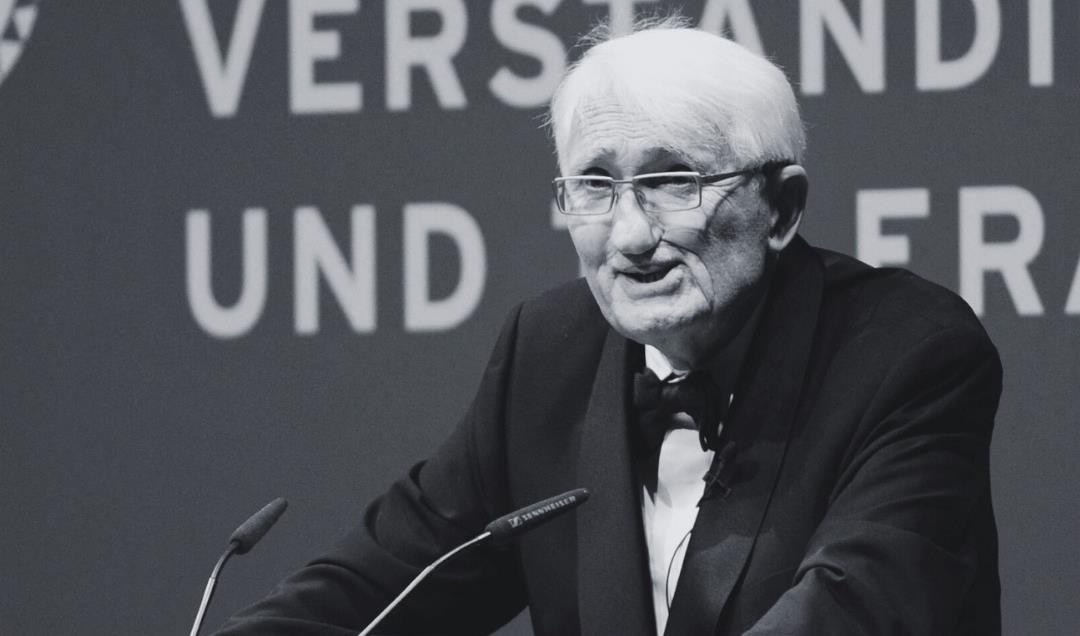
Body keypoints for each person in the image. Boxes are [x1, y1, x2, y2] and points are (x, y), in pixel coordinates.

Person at [215, 18, 1001, 636]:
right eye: (594, 185)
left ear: (781, 208)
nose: (628, 236)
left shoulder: (906, 352)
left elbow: (853, 610)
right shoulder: (548, 352)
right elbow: (378, 587)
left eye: (672, 181)